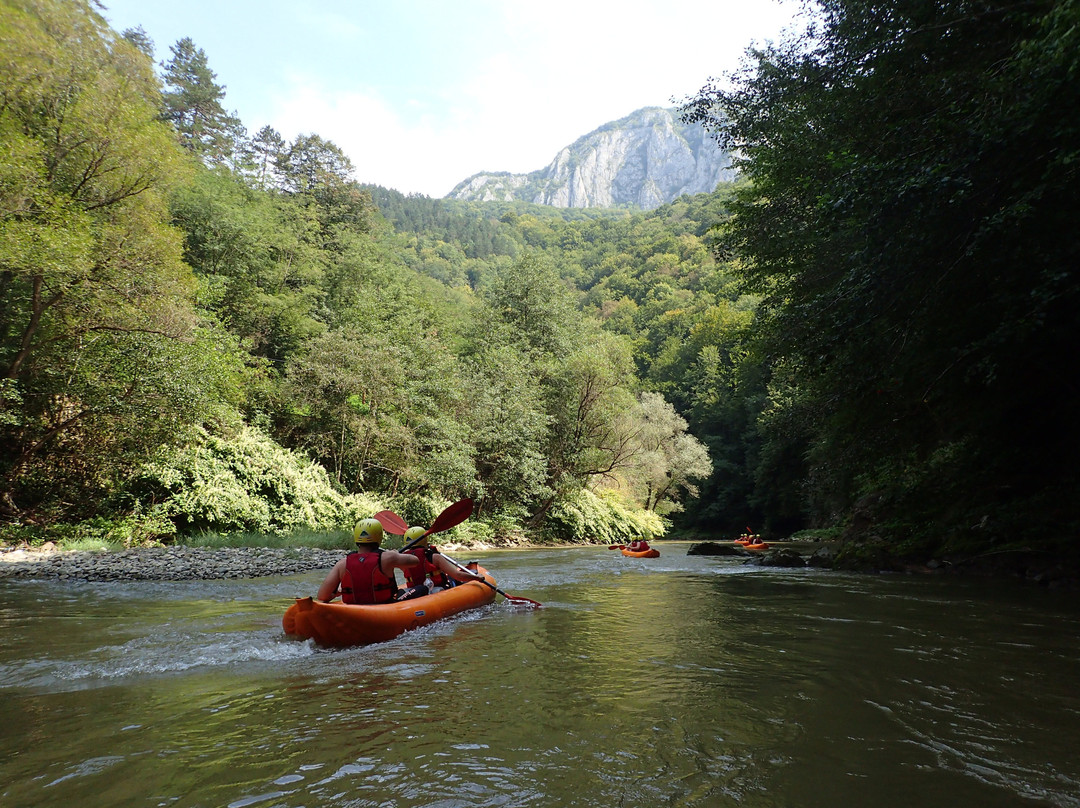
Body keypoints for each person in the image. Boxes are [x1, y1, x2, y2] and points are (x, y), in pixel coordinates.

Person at [317, 517, 421, 604]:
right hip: (383, 607)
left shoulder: (342, 563)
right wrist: (396, 555)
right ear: (379, 536)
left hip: (354, 607)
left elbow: (322, 596)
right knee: (422, 588)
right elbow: (415, 561)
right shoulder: (389, 557)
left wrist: (340, 592)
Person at [400, 525, 484, 594]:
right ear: (425, 539)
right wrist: (476, 578)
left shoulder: (401, 560)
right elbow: (458, 575)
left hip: (415, 592)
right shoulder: (434, 557)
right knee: (451, 577)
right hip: (436, 591)